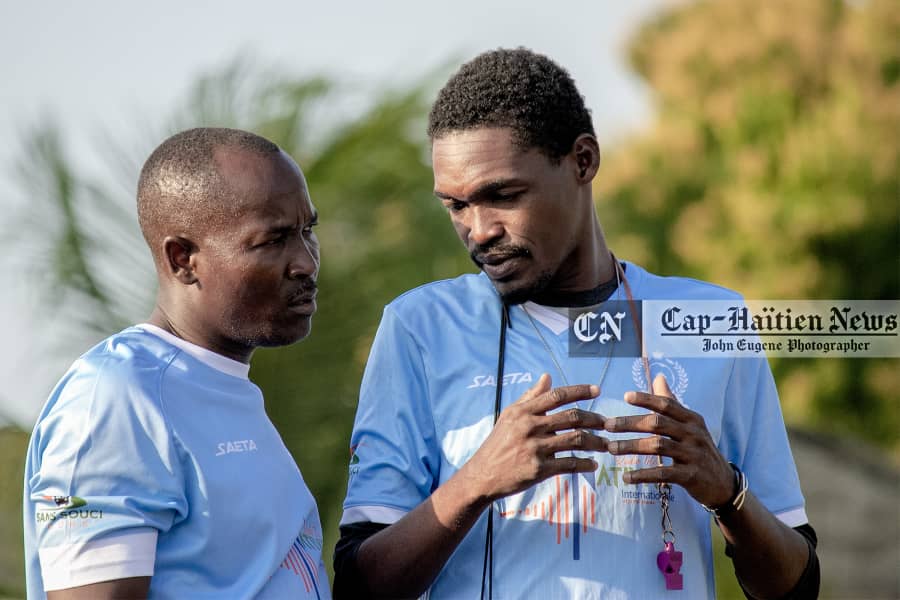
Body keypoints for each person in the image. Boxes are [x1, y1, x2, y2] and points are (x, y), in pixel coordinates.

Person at [334, 49, 819, 599]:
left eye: (503, 195)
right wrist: (477, 480)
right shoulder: (418, 328)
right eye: (456, 205)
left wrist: (725, 490)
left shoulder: (710, 320)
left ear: (583, 161)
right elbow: (358, 586)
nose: (478, 230)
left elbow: (795, 586)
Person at [23, 128, 330, 599]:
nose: (305, 262)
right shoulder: (118, 395)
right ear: (182, 258)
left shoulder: (219, 386)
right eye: (274, 240)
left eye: (307, 231)